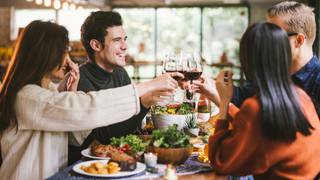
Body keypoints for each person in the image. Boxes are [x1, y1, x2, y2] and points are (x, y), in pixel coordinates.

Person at [0, 20, 181, 179]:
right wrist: (147, 86)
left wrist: (70, 93)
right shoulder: (25, 96)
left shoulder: (47, 91)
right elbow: (87, 108)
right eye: (64, 51)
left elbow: (74, 137)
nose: (68, 59)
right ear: (45, 54)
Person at [197, 22, 320, 178]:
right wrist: (223, 100)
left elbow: (220, 160)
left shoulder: (257, 108)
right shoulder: (301, 97)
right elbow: (253, 126)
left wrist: (224, 103)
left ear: (247, 60)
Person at [67, 11, 158, 164]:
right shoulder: (79, 80)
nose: (125, 47)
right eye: (117, 40)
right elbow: (103, 137)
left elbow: (128, 124)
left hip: (119, 159)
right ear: (96, 45)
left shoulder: (120, 73)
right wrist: (143, 104)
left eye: (124, 39)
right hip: (88, 165)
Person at [207, 1, 320, 116]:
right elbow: (243, 96)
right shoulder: (274, 70)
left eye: (273, 34)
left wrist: (223, 103)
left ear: (299, 40)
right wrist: (209, 85)